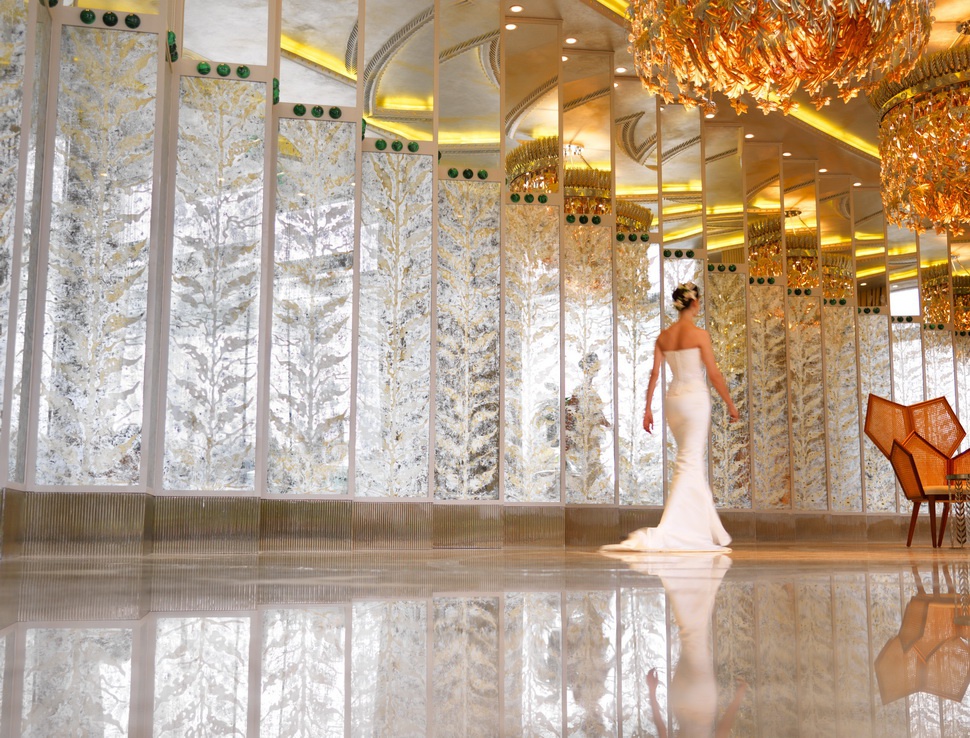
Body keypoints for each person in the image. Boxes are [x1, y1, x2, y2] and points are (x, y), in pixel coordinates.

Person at [602, 281, 739, 552]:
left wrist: (647, 409)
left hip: (673, 402)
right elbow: (713, 374)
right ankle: (675, 529)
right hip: (695, 400)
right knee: (690, 461)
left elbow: (654, 374)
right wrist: (730, 403)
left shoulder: (664, 337)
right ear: (695, 303)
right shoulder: (700, 334)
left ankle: (698, 527)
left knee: (688, 461)